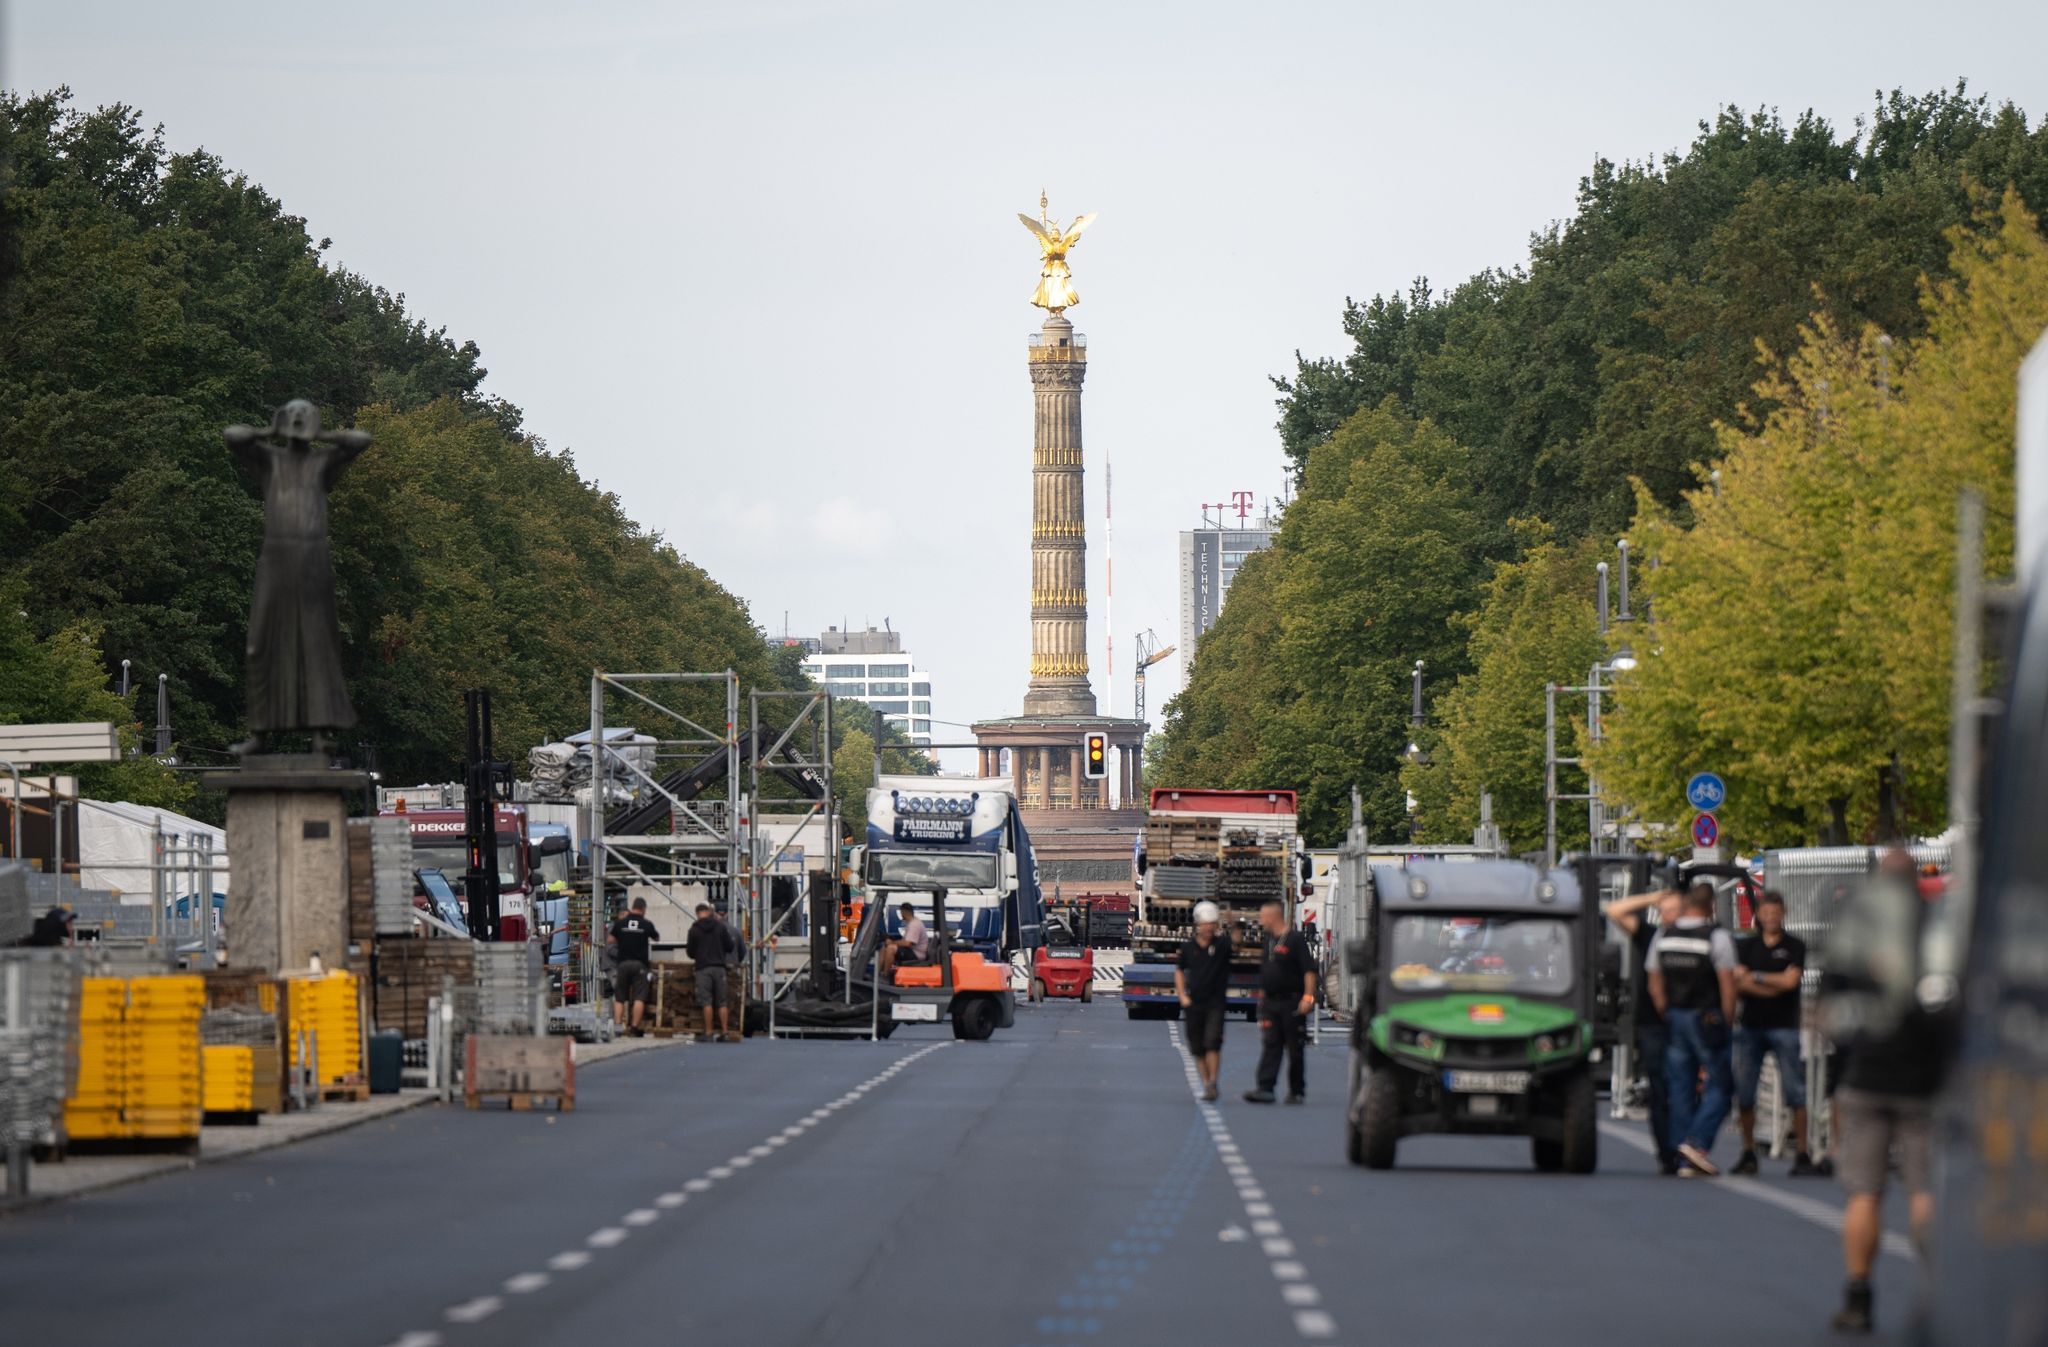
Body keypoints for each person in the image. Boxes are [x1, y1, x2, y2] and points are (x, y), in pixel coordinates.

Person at [1820, 851, 1945, 1335]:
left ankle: (1858, 1295)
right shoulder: (1936, 929)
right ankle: (1937, 1292)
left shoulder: (1857, 926)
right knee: (1925, 1192)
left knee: (1864, 1193)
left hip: (1867, 1075)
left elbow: (1830, 1010)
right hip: (1923, 1079)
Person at [1646, 883, 1739, 1176]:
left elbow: (1654, 978)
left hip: (1675, 1016)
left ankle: (1681, 1155)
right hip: (1706, 1017)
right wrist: (1727, 1018)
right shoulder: (1717, 937)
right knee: (1722, 1085)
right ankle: (1696, 1143)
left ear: (1687, 904)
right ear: (1711, 906)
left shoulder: (1664, 934)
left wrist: (1664, 1008)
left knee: (1680, 1086)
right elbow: (1727, 983)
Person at [1732, 890, 1817, 1176]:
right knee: (1745, 1092)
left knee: (1796, 1090)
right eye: (1765, 913)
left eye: (1775, 913)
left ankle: (1803, 1152)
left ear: (1784, 914)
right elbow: (1737, 983)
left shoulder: (1795, 946)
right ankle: (1747, 1150)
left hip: (1785, 1025)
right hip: (1751, 1026)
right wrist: (1774, 982)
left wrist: (1755, 977)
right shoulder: (1745, 947)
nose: (1770, 917)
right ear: (1758, 915)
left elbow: (1791, 983)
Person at [1604, 885, 1683, 1174]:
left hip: (1683, 1022)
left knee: (1684, 1088)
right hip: (1652, 1023)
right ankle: (1666, 1152)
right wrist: (1653, 897)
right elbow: (1614, 911)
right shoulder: (1651, 935)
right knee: (1660, 1089)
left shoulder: (1696, 937)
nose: (1667, 916)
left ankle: (1685, 1145)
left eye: (1673, 910)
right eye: (1664, 911)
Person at [1244, 899, 1316, 1105]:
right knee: (1271, 1044)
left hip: (1292, 1002)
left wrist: (1308, 997)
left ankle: (1296, 1091)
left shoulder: (1294, 940)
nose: (1261, 921)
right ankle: (1265, 1088)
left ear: (1273, 917)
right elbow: (1266, 970)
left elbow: (1309, 971)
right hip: (1271, 1003)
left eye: (1263, 917)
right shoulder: (1268, 940)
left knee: (1295, 1048)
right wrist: (1262, 997)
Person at [1176, 901, 1233, 1102]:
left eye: (1213, 924)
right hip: (1194, 1004)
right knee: (1197, 1047)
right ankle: (1206, 1081)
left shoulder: (1222, 946)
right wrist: (1182, 995)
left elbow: (1236, 940)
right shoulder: (1188, 948)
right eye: (1206, 924)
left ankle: (1212, 1084)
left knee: (1212, 1043)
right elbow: (1180, 971)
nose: (1209, 928)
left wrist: (1232, 921)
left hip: (1215, 1003)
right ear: (1198, 925)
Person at [686, 902, 736, 1042]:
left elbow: (690, 952)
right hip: (720, 968)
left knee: (706, 1001)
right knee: (722, 1001)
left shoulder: (694, 929)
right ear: (708, 912)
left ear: (697, 913)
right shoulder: (720, 927)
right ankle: (725, 1032)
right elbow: (730, 946)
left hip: (703, 969)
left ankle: (709, 1033)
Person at [607, 898, 658, 1035]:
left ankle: (617, 1028)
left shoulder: (620, 923)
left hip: (622, 964)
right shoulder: (646, 924)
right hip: (639, 964)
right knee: (639, 996)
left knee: (619, 997)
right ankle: (634, 1027)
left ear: (632, 907)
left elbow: (610, 940)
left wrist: (624, 937)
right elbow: (656, 938)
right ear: (643, 909)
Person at [878, 901, 930, 980]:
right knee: (884, 947)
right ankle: (878, 974)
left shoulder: (914, 924)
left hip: (916, 954)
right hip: (912, 950)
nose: (901, 914)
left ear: (904, 912)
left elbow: (908, 943)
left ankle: (885, 976)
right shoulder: (911, 922)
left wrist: (892, 942)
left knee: (890, 949)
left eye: (901, 912)